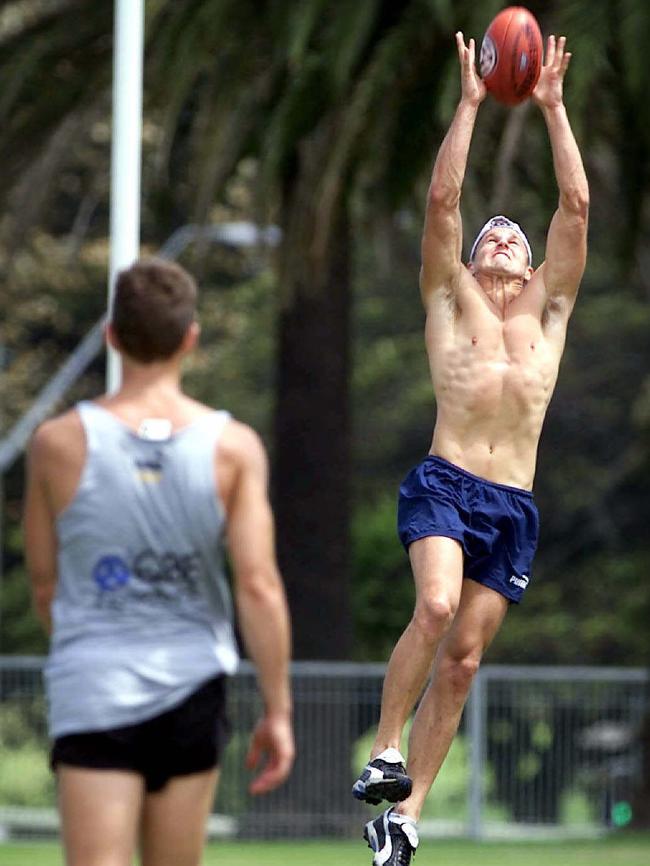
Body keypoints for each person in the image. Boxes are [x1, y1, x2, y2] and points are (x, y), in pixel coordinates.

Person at [353, 31, 589, 866]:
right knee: (439, 607)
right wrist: (469, 105)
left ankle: (404, 817)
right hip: (445, 483)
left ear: (532, 269)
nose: (499, 237)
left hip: (513, 507)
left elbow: (576, 210)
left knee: (462, 666)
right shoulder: (449, 298)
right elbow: (444, 205)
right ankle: (385, 751)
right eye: (490, 235)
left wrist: (555, 111)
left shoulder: (546, 312)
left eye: (513, 237)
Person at [24, 258, 295, 866]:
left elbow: (45, 586)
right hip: (192, 685)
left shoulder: (56, 443)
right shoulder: (234, 447)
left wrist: (89, 645)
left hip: (92, 685)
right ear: (190, 338)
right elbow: (258, 586)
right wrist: (277, 710)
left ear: (111, 335)